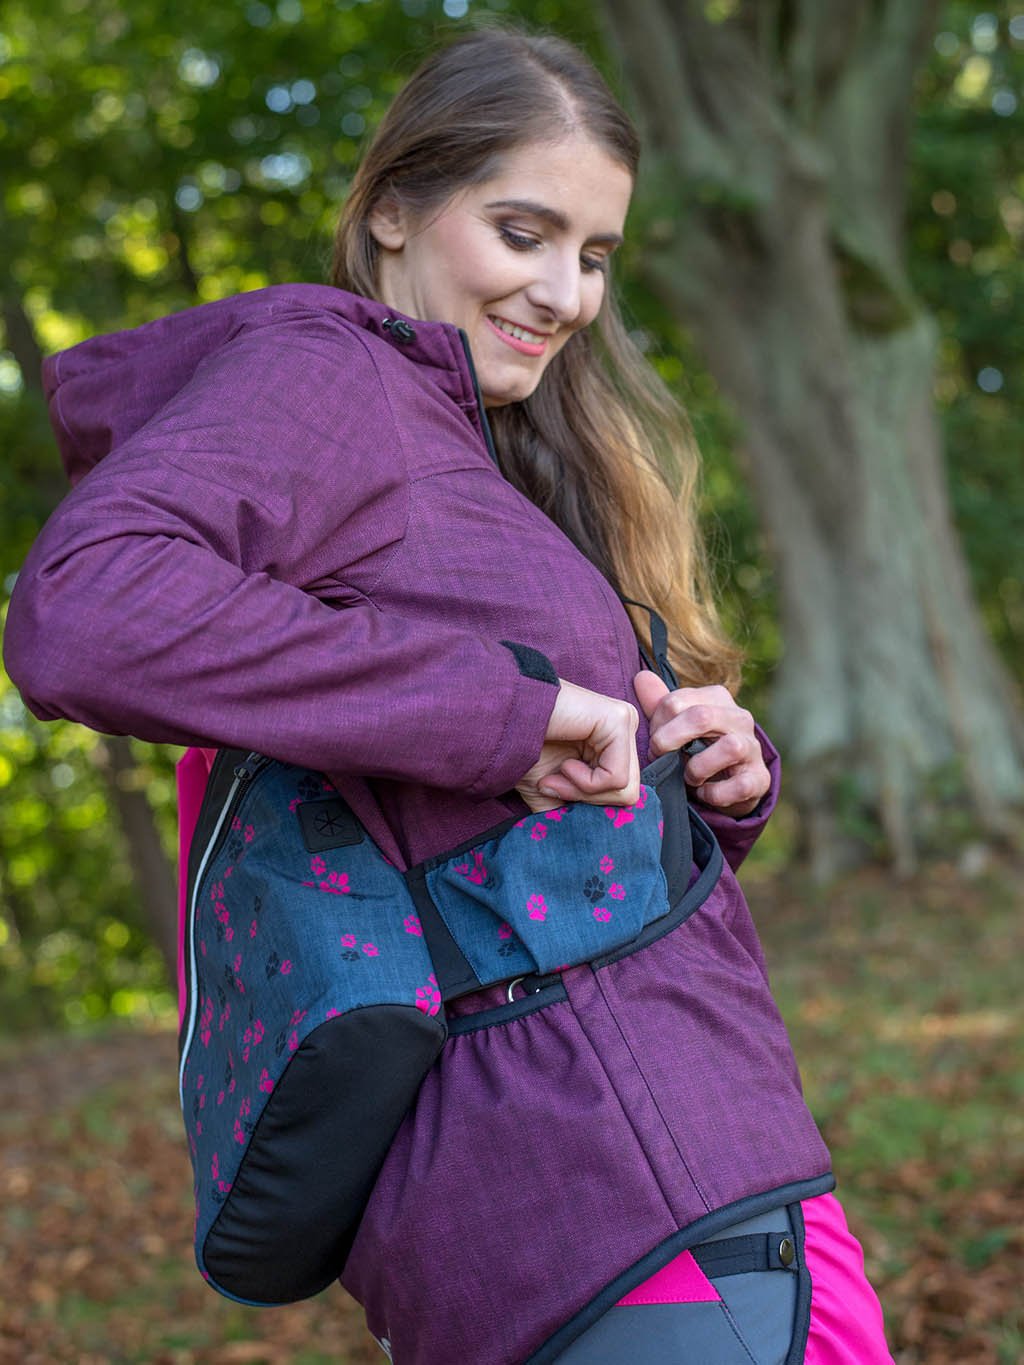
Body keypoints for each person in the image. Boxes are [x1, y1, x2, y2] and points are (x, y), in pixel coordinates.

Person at [4, 26, 894, 1365]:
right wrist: (518, 714)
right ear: (393, 210)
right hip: (611, 1195)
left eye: (594, 255)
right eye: (523, 231)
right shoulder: (331, 373)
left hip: (654, 1177)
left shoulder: (465, 452)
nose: (566, 291)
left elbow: (467, 848)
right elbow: (82, 610)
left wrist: (710, 769)